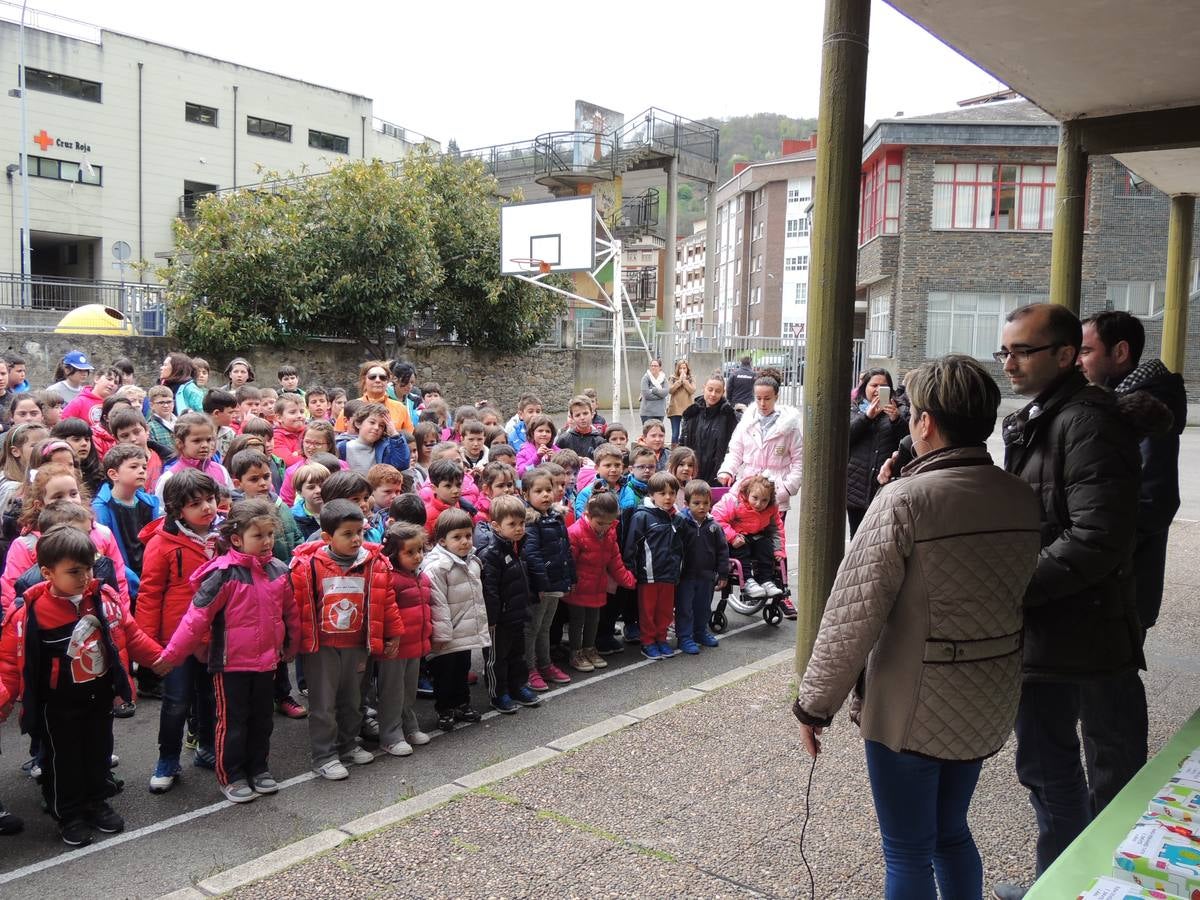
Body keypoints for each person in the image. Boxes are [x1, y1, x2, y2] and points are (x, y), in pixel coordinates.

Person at [794, 354, 1040, 900]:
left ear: (925, 422)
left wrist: (814, 705)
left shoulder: (905, 500)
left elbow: (851, 613)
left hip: (913, 705)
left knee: (905, 848)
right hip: (987, 693)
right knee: (951, 831)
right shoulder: (1019, 495)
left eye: (910, 413)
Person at [992, 303, 1142, 896]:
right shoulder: (1042, 414)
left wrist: (1012, 585)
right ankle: (1058, 881)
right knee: (1046, 765)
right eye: (1005, 351)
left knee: (1086, 768)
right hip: (1055, 622)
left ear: (1063, 354)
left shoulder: (1085, 421)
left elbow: (1098, 536)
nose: (1010, 362)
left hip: (1082, 626)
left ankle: (1077, 884)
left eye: (1022, 351)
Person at [1075, 312, 1184, 810]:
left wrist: (1091, 550)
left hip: (1118, 589)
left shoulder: (1144, 408)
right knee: (1102, 708)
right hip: (1112, 585)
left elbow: (1153, 503)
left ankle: (1111, 834)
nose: (1078, 360)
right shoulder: (1119, 401)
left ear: (1120, 353)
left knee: (1109, 711)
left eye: (1086, 350)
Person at [0, 525, 168, 847]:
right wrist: (5, 700)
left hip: (99, 696)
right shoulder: (29, 613)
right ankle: (69, 814)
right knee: (61, 760)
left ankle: (96, 802)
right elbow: (9, 664)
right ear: (47, 572)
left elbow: (129, 634)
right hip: (57, 705)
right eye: (74, 571)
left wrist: (158, 659)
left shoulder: (103, 597)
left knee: (98, 752)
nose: (84, 576)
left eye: (89, 567)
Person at [155, 499, 300, 803]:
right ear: (236, 539)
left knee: (262, 719)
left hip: (267, 663)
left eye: (270, 535)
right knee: (232, 722)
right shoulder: (223, 574)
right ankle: (231, 774)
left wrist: (292, 644)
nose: (266, 542)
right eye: (257, 536)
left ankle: (258, 768)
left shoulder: (278, 570)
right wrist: (171, 656)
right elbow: (195, 620)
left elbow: (291, 613)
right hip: (231, 664)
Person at [289, 499, 401, 781]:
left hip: (357, 644)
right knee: (324, 703)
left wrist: (392, 632)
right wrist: (291, 644)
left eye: (360, 532)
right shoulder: (309, 566)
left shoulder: (374, 563)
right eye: (347, 534)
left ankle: (348, 744)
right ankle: (324, 755)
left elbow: (386, 601)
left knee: (353, 699)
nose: (356, 539)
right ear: (327, 537)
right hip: (322, 648)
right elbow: (296, 607)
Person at [138, 469, 221, 792]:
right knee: (176, 701)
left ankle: (207, 747)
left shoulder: (224, 535)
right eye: (195, 503)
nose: (207, 508)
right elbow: (148, 595)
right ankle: (168, 758)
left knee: (211, 697)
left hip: (214, 635)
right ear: (176, 509)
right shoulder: (162, 544)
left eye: (210, 499)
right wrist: (148, 648)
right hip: (177, 640)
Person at [716, 372, 803, 617]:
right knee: (745, 540)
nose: (763, 404)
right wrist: (727, 471)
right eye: (759, 398)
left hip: (773, 497)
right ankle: (750, 581)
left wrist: (784, 490)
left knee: (775, 543)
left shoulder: (790, 428)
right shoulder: (747, 423)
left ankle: (782, 593)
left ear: (776, 397)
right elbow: (734, 452)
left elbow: (798, 463)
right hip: (747, 493)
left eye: (768, 398)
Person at [423, 507, 490, 732]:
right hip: (446, 634)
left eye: (468, 536)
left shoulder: (472, 561)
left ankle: (462, 703)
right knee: (444, 674)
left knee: (462, 668)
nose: (464, 542)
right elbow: (437, 603)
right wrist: (442, 635)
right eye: (457, 537)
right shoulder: (437, 567)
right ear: (442, 541)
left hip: (464, 629)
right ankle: (445, 709)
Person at [475, 494, 540, 714]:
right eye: (512, 524)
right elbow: (490, 590)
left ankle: (518, 686)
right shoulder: (491, 553)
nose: (519, 528)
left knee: (516, 654)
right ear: (496, 526)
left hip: (516, 614)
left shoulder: (517, 547)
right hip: (498, 620)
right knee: (496, 659)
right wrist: (491, 619)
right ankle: (498, 693)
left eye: (521, 523)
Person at [376, 522, 433, 756]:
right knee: (392, 690)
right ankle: (390, 734)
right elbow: (385, 612)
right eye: (409, 552)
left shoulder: (418, 576)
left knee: (408, 689)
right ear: (394, 554)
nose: (417, 556)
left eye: (419, 550)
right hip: (395, 646)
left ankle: (409, 725)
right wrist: (391, 637)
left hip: (414, 644)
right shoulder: (390, 578)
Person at [564, 488, 635, 672]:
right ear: (588, 514)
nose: (604, 527)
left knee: (593, 620)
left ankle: (589, 648)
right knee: (577, 621)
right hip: (578, 587)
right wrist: (569, 583)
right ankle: (575, 652)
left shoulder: (609, 532)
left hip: (597, 585)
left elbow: (615, 559)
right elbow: (569, 562)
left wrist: (627, 579)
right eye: (600, 523)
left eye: (609, 523)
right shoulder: (575, 533)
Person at [521, 467, 576, 692]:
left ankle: (545, 664)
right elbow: (532, 555)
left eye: (548, 490)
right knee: (532, 628)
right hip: (540, 587)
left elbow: (565, 549)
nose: (545, 495)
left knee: (545, 626)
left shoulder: (556, 516)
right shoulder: (530, 521)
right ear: (526, 494)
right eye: (538, 491)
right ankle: (529, 667)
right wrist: (541, 585)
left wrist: (570, 577)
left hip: (555, 583)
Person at [623, 471, 684, 660]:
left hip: (669, 574)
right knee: (648, 611)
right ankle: (648, 642)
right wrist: (630, 570)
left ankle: (661, 638)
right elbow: (631, 545)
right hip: (648, 575)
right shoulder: (642, 516)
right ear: (652, 495)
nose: (668, 498)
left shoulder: (678, 518)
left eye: (672, 493)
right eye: (662, 493)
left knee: (665, 610)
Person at [92, 444, 159, 606]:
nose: (142, 470)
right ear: (113, 474)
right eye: (134, 467)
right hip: (122, 580)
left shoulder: (150, 503)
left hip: (149, 576)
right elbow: (107, 552)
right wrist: (130, 579)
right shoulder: (102, 507)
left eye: (144, 466)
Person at [847, 369, 908, 536]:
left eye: (883, 386)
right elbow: (846, 439)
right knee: (857, 537)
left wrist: (896, 419)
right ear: (864, 386)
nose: (877, 390)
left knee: (884, 538)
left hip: (885, 486)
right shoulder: (854, 409)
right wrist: (866, 417)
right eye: (874, 385)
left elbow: (907, 442)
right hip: (856, 486)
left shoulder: (900, 410)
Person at [674, 479, 728, 652]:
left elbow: (722, 550)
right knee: (685, 608)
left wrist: (723, 573)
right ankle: (685, 637)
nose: (702, 507)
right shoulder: (680, 522)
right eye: (696, 503)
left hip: (706, 576)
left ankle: (700, 631)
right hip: (686, 576)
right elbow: (674, 547)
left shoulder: (714, 526)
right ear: (686, 503)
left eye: (706, 503)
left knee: (703, 606)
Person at [712, 475, 785, 600]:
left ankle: (766, 580)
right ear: (747, 493)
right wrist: (732, 537)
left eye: (764, 500)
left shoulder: (771, 508)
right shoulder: (733, 501)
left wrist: (779, 549)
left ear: (770, 500)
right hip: (734, 538)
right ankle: (747, 581)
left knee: (766, 544)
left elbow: (776, 529)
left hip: (755, 536)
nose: (759, 504)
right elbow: (716, 519)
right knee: (742, 546)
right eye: (755, 498)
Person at [678, 375, 738, 485]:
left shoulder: (729, 417)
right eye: (710, 390)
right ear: (704, 388)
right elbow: (682, 444)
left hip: (717, 476)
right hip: (692, 475)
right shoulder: (692, 413)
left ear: (723, 392)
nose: (713, 394)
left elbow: (735, 449)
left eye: (718, 391)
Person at [337, 361, 413, 434]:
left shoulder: (400, 408)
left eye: (382, 377)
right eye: (372, 377)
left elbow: (410, 440)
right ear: (364, 380)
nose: (378, 380)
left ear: (387, 381)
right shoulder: (350, 408)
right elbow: (338, 438)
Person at [555, 395, 605, 460]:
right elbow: (556, 462)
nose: (582, 418)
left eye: (585, 413)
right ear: (572, 417)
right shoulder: (563, 440)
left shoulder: (600, 441)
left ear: (592, 414)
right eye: (577, 415)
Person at [666, 359, 695, 445]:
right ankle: (674, 452)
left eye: (684, 368)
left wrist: (685, 381)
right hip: (675, 409)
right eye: (680, 368)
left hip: (687, 410)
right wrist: (679, 381)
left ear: (687, 369)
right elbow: (670, 390)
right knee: (675, 433)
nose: (682, 370)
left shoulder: (691, 378)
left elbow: (692, 390)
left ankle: (685, 451)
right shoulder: (672, 378)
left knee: (686, 433)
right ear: (677, 369)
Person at [638, 358, 669, 425]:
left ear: (660, 367)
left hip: (660, 412)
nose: (653, 367)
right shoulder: (645, 378)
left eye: (655, 366)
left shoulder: (664, 378)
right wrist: (661, 396)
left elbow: (666, 392)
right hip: (647, 413)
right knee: (648, 433)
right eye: (651, 365)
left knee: (658, 432)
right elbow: (646, 395)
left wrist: (654, 390)